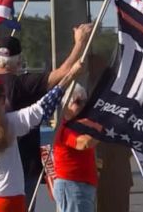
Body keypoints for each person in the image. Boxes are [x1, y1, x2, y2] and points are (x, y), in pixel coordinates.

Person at [0, 61, 83, 212]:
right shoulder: (10, 123)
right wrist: (70, 75)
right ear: (3, 99)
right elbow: (43, 107)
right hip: (8, 202)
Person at [0, 23, 93, 210]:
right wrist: (79, 44)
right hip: (23, 165)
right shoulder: (23, 84)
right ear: (19, 61)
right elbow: (60, 75)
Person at [53, 83, 99, 212]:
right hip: (72, 185)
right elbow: (84, 143)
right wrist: (103, 130)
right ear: (66, 104)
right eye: (78, 102)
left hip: (81, 186)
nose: (83, 106)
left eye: (85, 101)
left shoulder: (80, 125)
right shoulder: (67, 127)